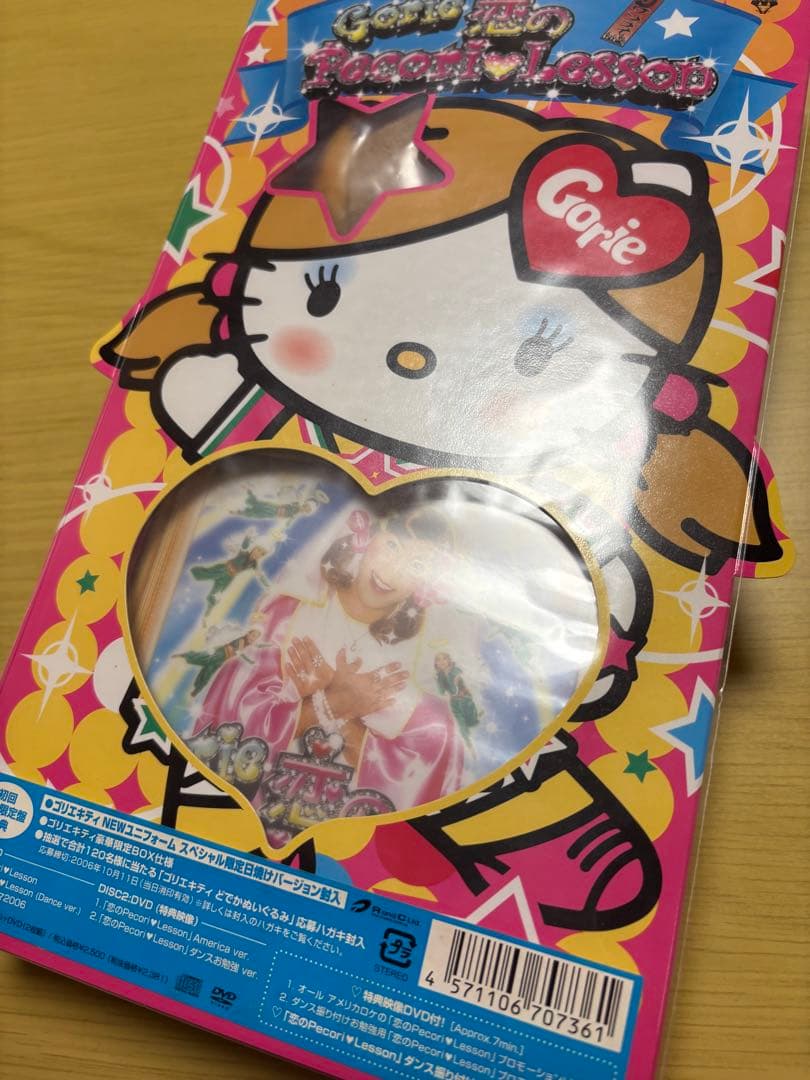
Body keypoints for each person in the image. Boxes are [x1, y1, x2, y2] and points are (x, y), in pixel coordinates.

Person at [191, 502, 466, 845]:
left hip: (333, 853)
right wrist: (333, 704)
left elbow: (424, 785)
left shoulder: (423, 679)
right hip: (234, 831)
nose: (392, 571)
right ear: (367, 537)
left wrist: (339, 710)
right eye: (392, 546)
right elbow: (224, 723)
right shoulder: (286, 618)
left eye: (417, 565)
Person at [174, 628, 262, 698]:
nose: (253, 638)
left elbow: (258, 645)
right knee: (204, 665)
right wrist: (250, 661)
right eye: (253, 635)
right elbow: (241, 654)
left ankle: (196, 689)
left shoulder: (247, 643)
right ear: (248, 634)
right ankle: (196, 689)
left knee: (207, 669)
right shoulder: (242, 641)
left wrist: (267, 645)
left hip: (221, 659)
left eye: (256, 637)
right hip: (219, 654)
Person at [434, 651, 479, 747]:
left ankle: (474, 720)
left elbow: (455, 690)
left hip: (465, 700)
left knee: (472, 723)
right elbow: (441, 692)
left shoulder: (455, 671)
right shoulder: (440, 676)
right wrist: (438, 681)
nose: (441, 661)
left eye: (444, 658)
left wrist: (453, 680)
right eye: (438, 660)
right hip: (454, 702)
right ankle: (468, 743)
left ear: (449, 660)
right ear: (436, 663)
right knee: (462, 725)